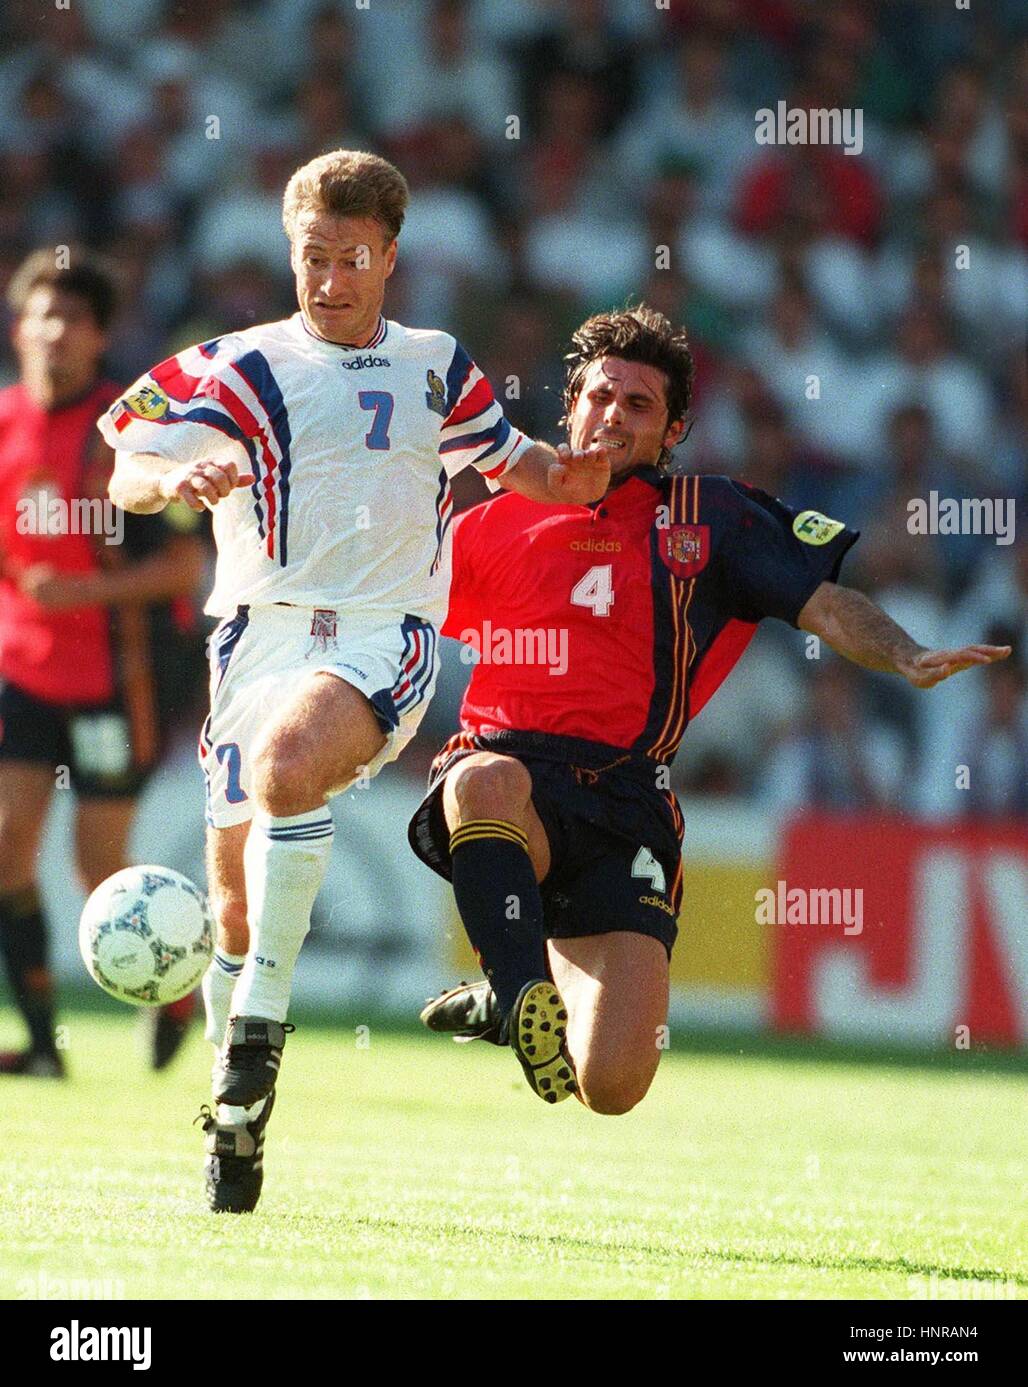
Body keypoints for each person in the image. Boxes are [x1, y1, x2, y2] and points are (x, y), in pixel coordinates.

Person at [101, 149, 613, 1213]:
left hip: (384, 636)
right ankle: (234, 1125)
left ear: (390, 257)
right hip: (254, 641)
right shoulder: (237, 364)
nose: (329, 280)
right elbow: (126, 469)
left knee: (290, 768)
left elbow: (510, 459)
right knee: (233, 916)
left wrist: (565, 479)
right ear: (289, 251)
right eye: (312, 256)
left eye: (352, 258)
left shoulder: (437, 364)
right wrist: (173, 476)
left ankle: (259, 1038)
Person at [411, 305, 1011, 1113]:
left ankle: (508, 986)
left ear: (674, 430)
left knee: (611, 1087)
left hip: (630, 799)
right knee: (482, 780)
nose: (613, 415)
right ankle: (517, 986)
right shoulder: (492, 522)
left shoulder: (712, 516)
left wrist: (903, 652)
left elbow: (826, 604)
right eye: (599, 396)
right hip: (512, 776)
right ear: (571, 407)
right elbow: (389, 616)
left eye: (638, 404)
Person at [0, 249, 205, 1078]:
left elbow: (185, 568)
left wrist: (82, 592)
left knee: (96, 867)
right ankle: (43, 1047)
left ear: (100, 337)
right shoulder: (4, 423)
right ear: (20, 328)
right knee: (5, 852)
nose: (55, 332)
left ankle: (178, 991)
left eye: (73, 319)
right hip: (23, 673)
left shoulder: (129, 437)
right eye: (43, 315)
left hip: (119, 683)